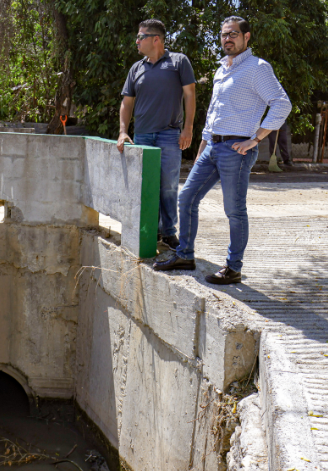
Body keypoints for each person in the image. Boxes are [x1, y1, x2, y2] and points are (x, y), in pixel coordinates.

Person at [152, 16, 290, 285]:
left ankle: (233, 268)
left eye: (234, 34)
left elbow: (281, 104)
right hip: (212, 147)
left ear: (246, 37)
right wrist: (203, 147)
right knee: (187, 198)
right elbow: (214, 113)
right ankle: (185, 254)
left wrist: (256, 139)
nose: (228, 39)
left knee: (234, 211)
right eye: (224, 34)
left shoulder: (257, 68)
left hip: (236, 150)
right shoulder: (221, 70)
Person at [118, 19, 197, 251]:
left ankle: (169, 232)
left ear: (156, 39)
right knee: (146, 186)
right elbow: (126, 103)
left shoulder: (178, 62)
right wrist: (123, 132)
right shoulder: (136, 68)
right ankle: (150, 231)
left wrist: (189, 129)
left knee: (169, 186)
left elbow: (190, 95)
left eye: (141, 37)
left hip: (169, 135)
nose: (137, 41)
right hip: (142, 137)